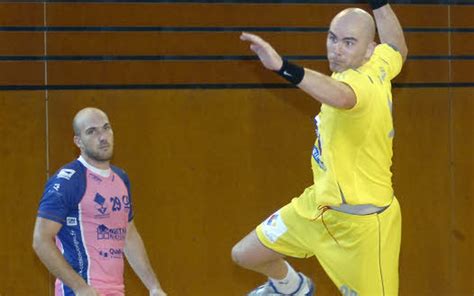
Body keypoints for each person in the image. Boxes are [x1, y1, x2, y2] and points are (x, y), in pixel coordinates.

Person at [232, 0, 407, 295]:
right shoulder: (380, 62)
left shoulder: (360, 85)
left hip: (363, 229)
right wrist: (379, 4)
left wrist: (283, 68)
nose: (336, 49)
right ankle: (293, 287)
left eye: (348, 42)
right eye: (332, 38)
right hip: (318, 209)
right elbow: (398, 48)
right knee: (245, 254)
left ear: (368, 49)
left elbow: (340, 96)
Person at [33, 107, 167, 296]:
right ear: (78, 141)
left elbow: (128, 235)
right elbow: (40, 240)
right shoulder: (68, 181)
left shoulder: (121, 179)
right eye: (92, 131)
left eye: (106, 128)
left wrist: (154, 287)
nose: (102, 137)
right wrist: (80, 287)